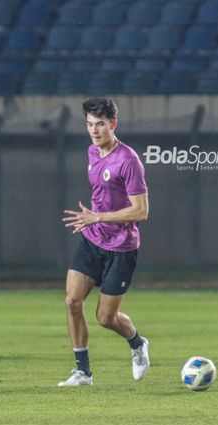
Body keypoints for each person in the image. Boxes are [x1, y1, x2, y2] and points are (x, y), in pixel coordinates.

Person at [59, 97, 150, 387]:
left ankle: (137, 343)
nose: (94, 131)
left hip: (121, 249)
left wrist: (98, 217)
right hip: (92, 241)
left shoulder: (128, 160)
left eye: (100, 124)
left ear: (113, 124)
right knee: (72, 301)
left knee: (105, 318)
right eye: (89, 124)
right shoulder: (92, 152)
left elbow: (141, 211)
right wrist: (93, 221)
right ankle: (83, 372)